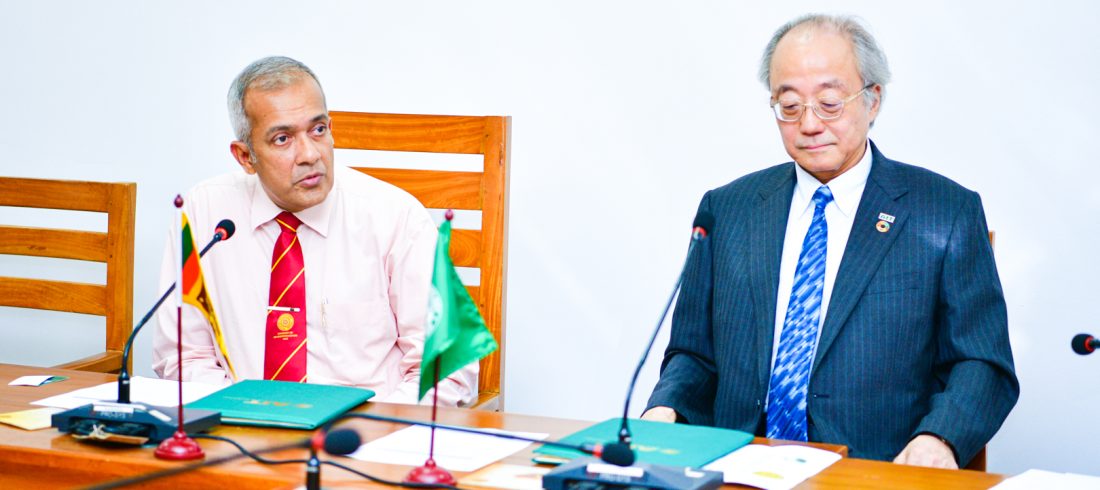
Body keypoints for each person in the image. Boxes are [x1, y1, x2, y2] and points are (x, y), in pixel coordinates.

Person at [643, 14, 1018, 468]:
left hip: (874, 470)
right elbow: (693, 354)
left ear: (873, 100)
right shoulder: (726, 210)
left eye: (829, 103)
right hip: (738, 466)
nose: (809, 124)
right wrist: (665, 409)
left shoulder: (944, 212)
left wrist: (939, 438)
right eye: (790, 106)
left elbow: (982, 362)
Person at [152, 56, 477, 406]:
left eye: (318, 130)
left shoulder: (395, 216)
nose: (310, 154)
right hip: (238, 422)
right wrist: (240, 415)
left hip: (366, 427)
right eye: (282, 139)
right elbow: (184, 356)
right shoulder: (205, 214)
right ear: (245, 157)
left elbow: (447, 367)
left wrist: (371, 426)